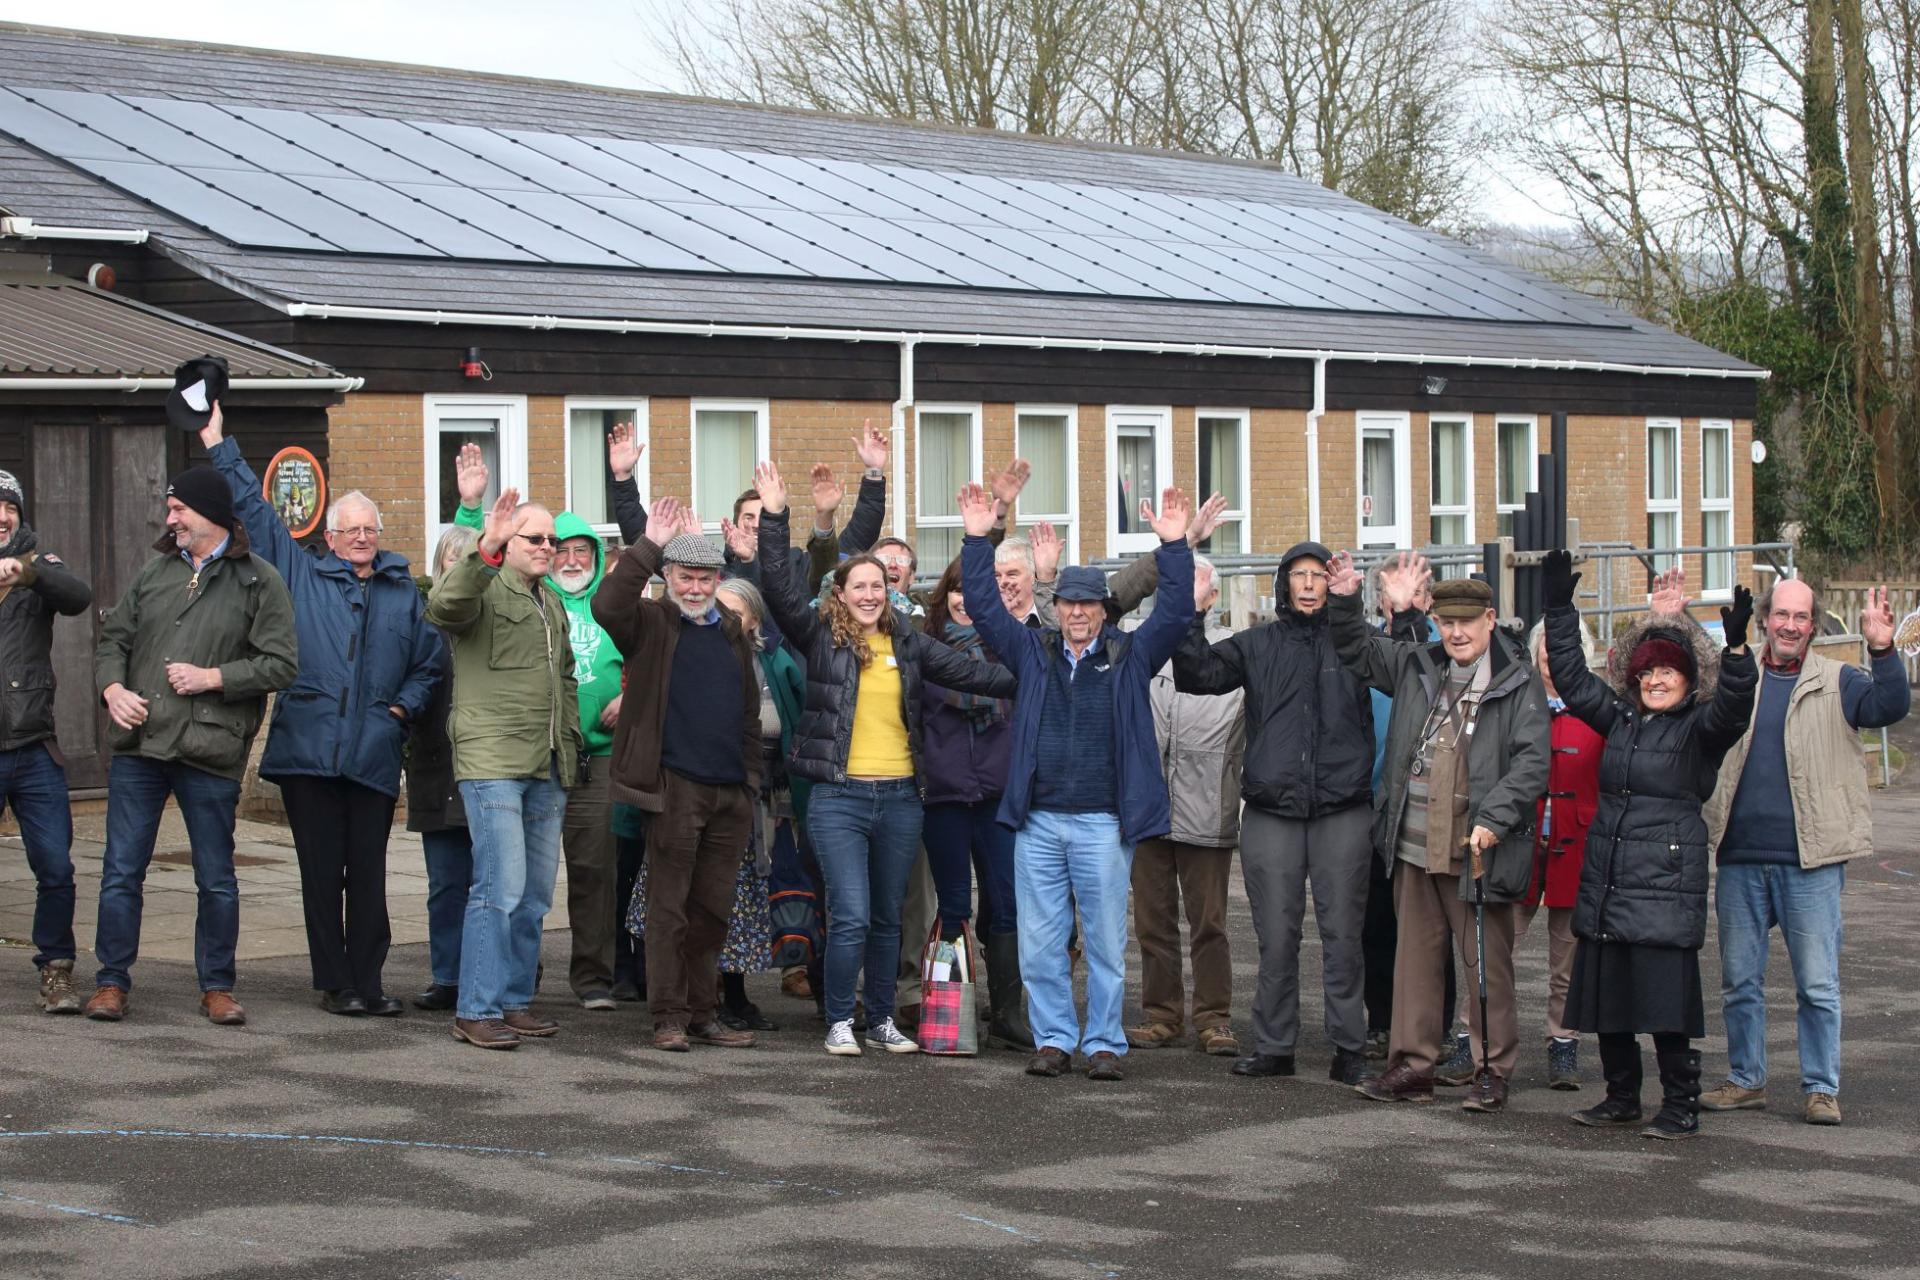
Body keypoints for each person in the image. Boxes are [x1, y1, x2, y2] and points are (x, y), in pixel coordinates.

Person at [754, 461, 1015, 1057]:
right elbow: (777, 583)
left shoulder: (911, 643)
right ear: (841, 595)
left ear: (891, 593)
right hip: (839, 797)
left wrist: (1039, 673)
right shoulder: (820, 638)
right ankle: (840, 1019)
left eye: (879, 586)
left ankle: (880, 1020)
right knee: (849, 913)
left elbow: (977, 675)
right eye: (859, 587)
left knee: (888, 919)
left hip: (900, 799)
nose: (870, 595)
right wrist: (775, 517)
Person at [203, 408, 443, 1018]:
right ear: (330, 538)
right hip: (310, 750)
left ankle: (370, 980)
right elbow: (255, 513)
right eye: (350, 530)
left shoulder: (402, 591)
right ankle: (335, 984)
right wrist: (218, 442)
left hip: (373, 750)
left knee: (368, 874)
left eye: (370, 529)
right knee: (320, 874)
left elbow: (430, 663)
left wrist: (400, 709)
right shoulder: (301, 575)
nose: (362, 538)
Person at [959, 480, 1195, 1082]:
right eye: (1069, 603)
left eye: (1090, 605)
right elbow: (984, 607)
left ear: (1104, 611)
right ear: (1056, 606)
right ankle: (1055, 1039)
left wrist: (1172, 546)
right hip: (1037, 822)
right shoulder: (1033, 652)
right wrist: (977, 539)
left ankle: (1104, 1043)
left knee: (1107, 944)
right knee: (1041, 943)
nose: (1080, 613)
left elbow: (1173, 612)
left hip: (1102, 823)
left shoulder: (1130, 656)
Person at [1541, 549, 1757, 1139]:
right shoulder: (1621, 719)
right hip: (1611, 881)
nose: (1656, 679)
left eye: (1668, 671)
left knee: (1665, 1008)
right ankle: (1620, 1098)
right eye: (1646, 672)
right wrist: (1559, 608)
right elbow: (1572, 678)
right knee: (1609, 1001)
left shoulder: (1700, 729)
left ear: (1687, 679)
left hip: (1662, 888)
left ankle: (1680, 1105)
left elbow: (1736, 708)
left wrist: (1737, 652)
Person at [1330, 557, 1550, 1113]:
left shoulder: (1517, 679)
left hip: (1475, 848)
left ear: (1490, 620)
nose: (1455, 633)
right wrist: (1344, 599)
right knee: (1415, 960)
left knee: (1484, 964)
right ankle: (1412, 1064)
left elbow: (1531, 763)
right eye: (1447, 621)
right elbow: (1356, 650)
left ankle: (1491, 1070)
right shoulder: (1416, 663)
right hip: (1411, 842)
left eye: (1467, 623)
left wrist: (1493, 818)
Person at [88, 465, 298, 1025]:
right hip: (140, 746)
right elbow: (113, 640)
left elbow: (281, 663)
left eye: (179, 508)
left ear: (211, 513)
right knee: (120, 871)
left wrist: (214, 678)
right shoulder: (155, 572)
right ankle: (111, 982)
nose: (170, 517)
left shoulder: (259, 580)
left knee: (216, 878)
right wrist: (112, 689)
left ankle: (218, 987)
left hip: (210, 748)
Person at [1172, 540, 1385, 1085]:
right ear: (1284, 584)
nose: (1310, 584)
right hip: (1272, 810)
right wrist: (1192, 611)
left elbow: (1403, 673)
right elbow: (1198, 674)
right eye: (1300, 575)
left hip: (1342, 808)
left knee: (1343, 936)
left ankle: (1349, 1047)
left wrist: (1378, 610)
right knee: (1276, 935)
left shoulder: (1355, 644)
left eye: (1319, 575)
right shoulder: (1259, 643)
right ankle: (1274, 1046)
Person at [1702, 577, 1910, 1127]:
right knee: (1739, 981)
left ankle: (1821, 1087)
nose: (1790, 626)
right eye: (1781, 615)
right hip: (1740, 856)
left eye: (1801, 617)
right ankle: (1747, 1080)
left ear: (1813, 626)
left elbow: (1891, 705)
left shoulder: (1841, 681)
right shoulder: (1737, 676)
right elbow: (1677, 680)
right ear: (1765, 619)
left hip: (1812, 861)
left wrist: (1883, 649)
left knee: (1817, 984)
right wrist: (1672, 617)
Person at [591, 496, 762, 1053]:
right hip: (674, 788)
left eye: (704, 577)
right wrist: (647, 546)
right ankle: (667, 1016)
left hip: (729, 792)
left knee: (712, 911)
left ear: (717, 578)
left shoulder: (733, 630)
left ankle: (703, 1012)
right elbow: (607, 605)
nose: (695, 588)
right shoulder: (650, 622)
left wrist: (748, 783)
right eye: (685, 577)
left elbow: (746, 714)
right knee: (668, 908)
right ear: (668, 578)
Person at [427, 488, 582, 1050]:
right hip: (492, 761)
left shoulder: (554, 602)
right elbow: (445, 606)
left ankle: (513, 1001)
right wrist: (485, 544)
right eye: (535, 538)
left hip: (547, 765)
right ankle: (476, 1007)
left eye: (552, 540)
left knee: (536, 896)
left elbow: (565, 680)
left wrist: (568, 748)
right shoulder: (484, 587)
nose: (548, 548)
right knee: (499, 887)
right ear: (509, 543)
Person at [1128, 553, 1244, 1058]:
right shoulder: (1140, 642)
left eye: (1194, 583)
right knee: (1152, 921)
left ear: (1212, 597)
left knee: (1209, 924)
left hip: (1208, 806)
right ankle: (1161, 1015)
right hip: (1150, 807)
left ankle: (1214, 1018)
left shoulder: (1230, 652)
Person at [919, 554, 1031, 1049]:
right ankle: (950, 1016)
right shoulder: (922, 648)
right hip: (943, 796)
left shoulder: (1009, 647)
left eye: (974, 589)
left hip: (997, 795)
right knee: (952, 906)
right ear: (945, 595)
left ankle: (1007, 1013)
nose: (965, 599)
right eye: (957, 589)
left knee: (1005, 903)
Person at [0, 468, 92, 1013]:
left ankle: (56, 969)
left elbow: (78, 596)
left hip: (34, 748)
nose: (1, 518)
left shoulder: (39, 565)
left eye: (7, 508)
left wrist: (26, 574)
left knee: (55, 868)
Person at [1517, 612, 1605, 1089]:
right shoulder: (1517, 697)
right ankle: (1477, 1041)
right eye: (1546, 646)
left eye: (1563, 646)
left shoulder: (1597, 704)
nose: (1552, 655)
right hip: (1519, 847)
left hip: (1577, 847)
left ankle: (1563, 1046)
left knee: (1567, 962)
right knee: (1491, 948)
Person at [406, 523, 480, 1012]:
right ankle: (448, 976)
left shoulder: (491, 617)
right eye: (452, 560)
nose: (460, 570)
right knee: (445, 883)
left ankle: (496, 970)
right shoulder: (422, 623)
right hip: (436, 767)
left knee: (493, 882)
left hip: (487, 766)